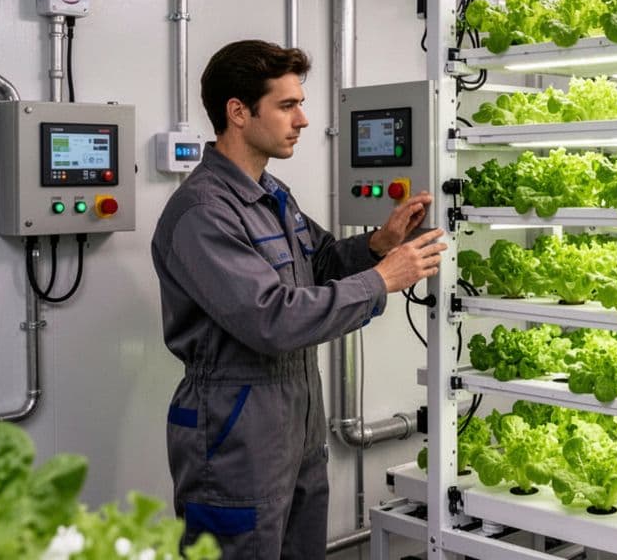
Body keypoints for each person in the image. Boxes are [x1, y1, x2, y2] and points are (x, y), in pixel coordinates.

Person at [151, 39, 446, 558]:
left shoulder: (272, 195)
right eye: (287, 105)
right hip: (235, 430)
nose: (303, 119)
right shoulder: (203, 213)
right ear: (238, 112)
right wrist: (382, 278)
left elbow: (321, 263)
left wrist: (379, 244)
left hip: (296, 420)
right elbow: (271, 319)